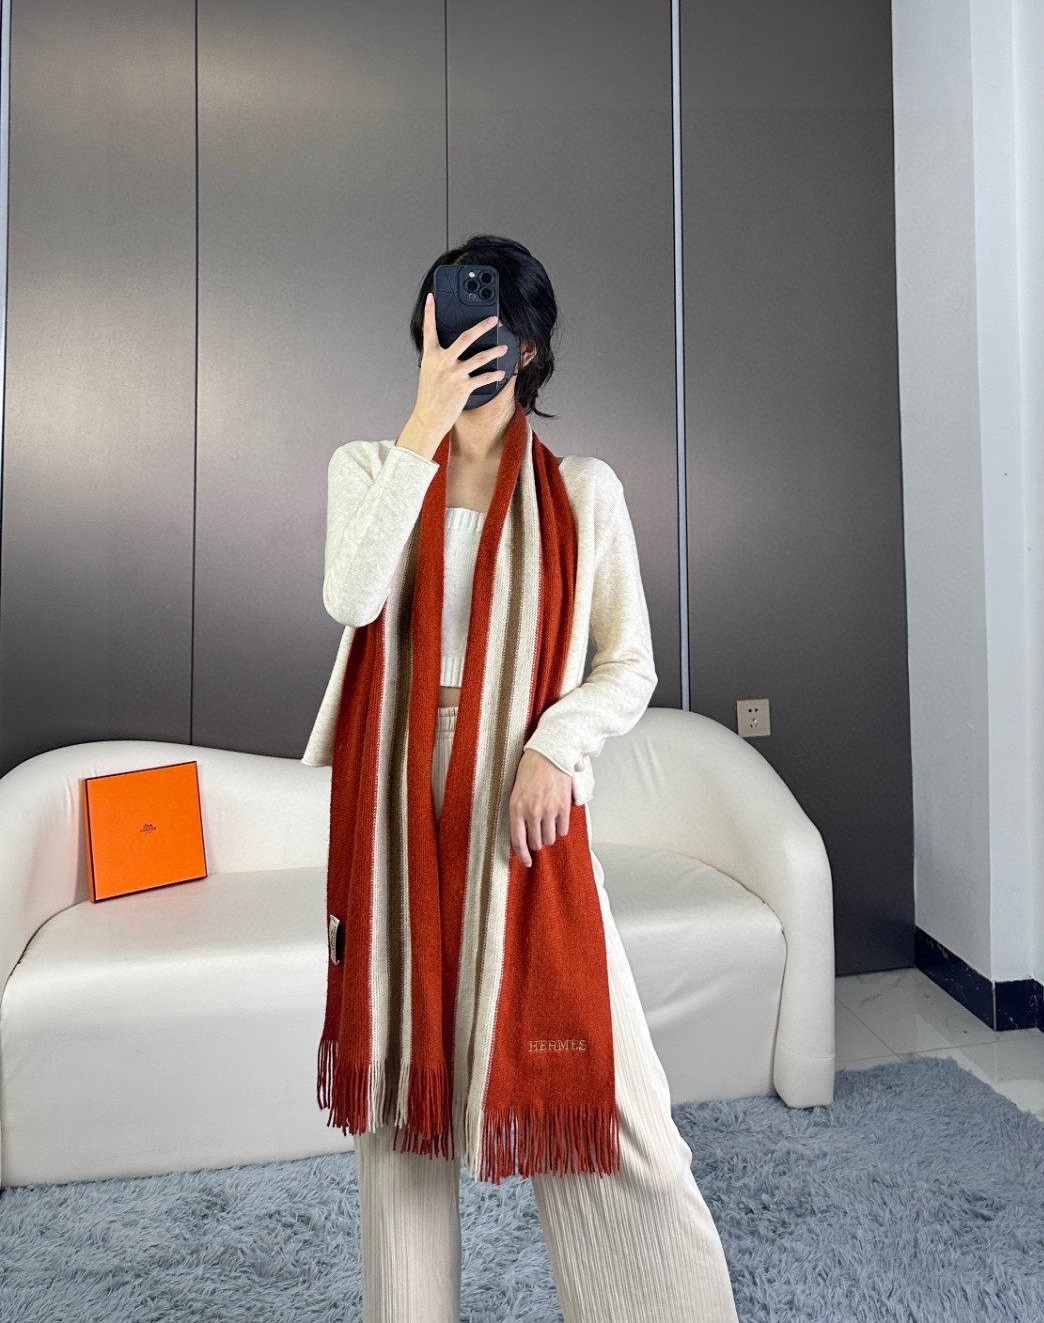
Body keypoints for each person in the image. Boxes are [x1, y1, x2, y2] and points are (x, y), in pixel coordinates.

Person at [303, 235, 740, 1322]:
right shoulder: (369, 467)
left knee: (608, 1096)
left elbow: (627, 663)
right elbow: (353, 599)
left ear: (529, 345)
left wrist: (556, 745)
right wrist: (423, 425)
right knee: (401, 1109)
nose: (461, 337)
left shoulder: (583, 492)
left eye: (486, 321)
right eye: (443, 319)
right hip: (395, 815)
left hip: (519, 809)